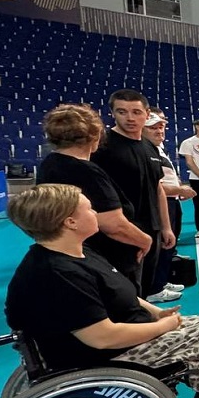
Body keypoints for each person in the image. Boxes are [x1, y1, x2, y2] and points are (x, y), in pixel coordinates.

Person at [5, 184, 199, 398]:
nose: (95, 213)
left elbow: (118, 291)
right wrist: (162, 326)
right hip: (104, 355)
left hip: (123, 333)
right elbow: (103, 337)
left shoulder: (77, 251)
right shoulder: (59, 274)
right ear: (70, 222)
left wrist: (155, 312)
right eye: (89, 209)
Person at [35, 103, 154, 295]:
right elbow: (113, 225)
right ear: (95, 135)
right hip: (105, 257)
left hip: (74, 254)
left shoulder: (50, 164)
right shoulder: (85, 171)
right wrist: (145, 240)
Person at [90, 89, 175, 298]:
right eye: (122, 112)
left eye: (136, 112)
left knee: (143, 287)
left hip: (151, 229)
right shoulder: (102, 147)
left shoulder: (149, 147)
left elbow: (157, 189)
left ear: (147, 114)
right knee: (122, 292)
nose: (130, 118)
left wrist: (165, 227)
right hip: (119, 231)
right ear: (112, 113)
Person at [143, 109, 195, 303]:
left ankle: (162, 281)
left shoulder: (158, 149)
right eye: (153, 128)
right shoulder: (146, 151)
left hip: (171, 201)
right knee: (161, 246)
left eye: (161, 127)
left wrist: (178, 192)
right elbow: (154, 186)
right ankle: (154, 288)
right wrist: (180, 190)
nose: (159, 131)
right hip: (162, 203)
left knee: (168, 246)